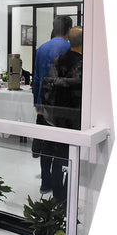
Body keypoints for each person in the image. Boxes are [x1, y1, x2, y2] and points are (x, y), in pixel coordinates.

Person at [39, 26, 83, 202]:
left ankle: (58, 194)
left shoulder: (58, 60)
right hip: (75, 116)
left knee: (58, 155)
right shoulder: (83, 63)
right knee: (71, 156)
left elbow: (51, 84)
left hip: (56, 115)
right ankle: (67, 195)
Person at [32, 15, 73, 195]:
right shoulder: (70, 48)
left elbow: (36, 79)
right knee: (60, 147)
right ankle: (58, 187)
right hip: (63, 106)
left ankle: (45, 183)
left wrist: (37, 102)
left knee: (46, 145)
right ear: (68, 30)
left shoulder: (41, 49)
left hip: (44, 104)